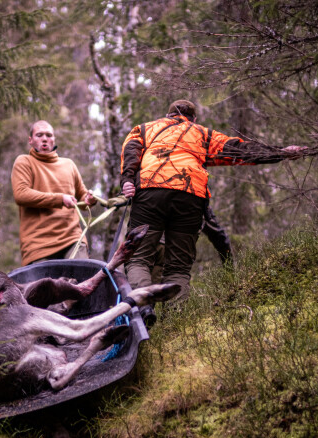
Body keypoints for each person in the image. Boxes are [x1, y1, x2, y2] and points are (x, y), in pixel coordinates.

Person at [120, 99, 307, 304]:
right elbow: (239, 150)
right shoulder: (203, 134)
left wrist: (127, 180)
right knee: (179, 267)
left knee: (138, 258)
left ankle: (143, 308)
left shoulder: (145, 129)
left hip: (151, 190)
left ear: (168, 115)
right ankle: (176, 320)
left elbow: (131, 150)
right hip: (191, 194)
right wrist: (281, 152)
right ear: (194, 119)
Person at [11, 120, 98, 266]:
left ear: (54, 139)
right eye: (39, 135)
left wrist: (89, 199)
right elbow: (21, 194)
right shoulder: (24, 162)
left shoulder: (68, 164)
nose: (45, 139)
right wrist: (60, 199)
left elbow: (82, 197)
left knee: (81, 283)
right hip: (37, 245)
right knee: (44, 288)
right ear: (30, 140)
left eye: (49, 135)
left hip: (72, 239)